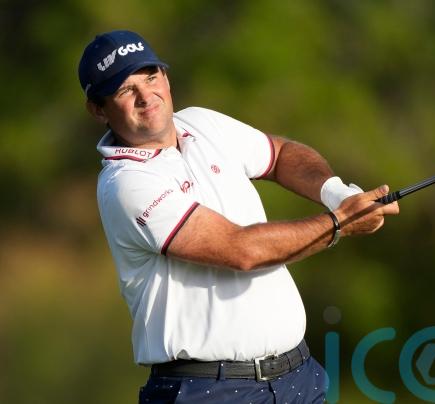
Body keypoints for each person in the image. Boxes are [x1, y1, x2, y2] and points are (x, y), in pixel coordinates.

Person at [79, 30, 399, 404]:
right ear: (98, 110)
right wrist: (340, 223)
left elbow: (280, 154)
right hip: (207, 391)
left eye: (151, 77)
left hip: (299, 377)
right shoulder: (125, 183)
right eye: (125, 89)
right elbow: (240, 250)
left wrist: (338, 194)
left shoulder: (201, 123)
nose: (146, 96)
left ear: (165, 77)